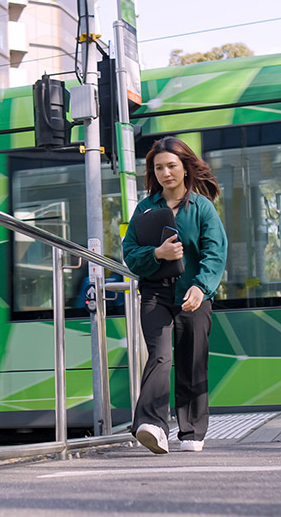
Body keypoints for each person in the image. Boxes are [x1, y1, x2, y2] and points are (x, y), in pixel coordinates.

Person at [122, 136, 228, 454]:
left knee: (191, 362)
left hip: (194, 293)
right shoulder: (145, 208)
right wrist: (158, 253)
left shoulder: (202, 208)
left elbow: (215, 253)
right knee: (159, 355)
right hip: (156, 293)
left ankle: (192, 431)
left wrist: (201, 287)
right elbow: (130, 252)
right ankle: (152, 425)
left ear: (184, 168)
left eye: (171, 166)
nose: (165, 173)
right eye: (158, 168)